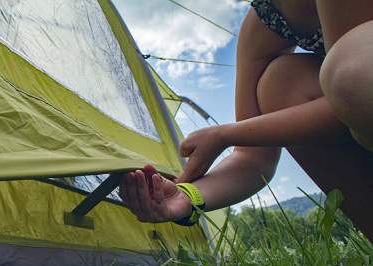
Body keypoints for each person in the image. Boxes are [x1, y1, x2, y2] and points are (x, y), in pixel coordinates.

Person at [120, 0, 373, 241]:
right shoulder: (267, 19)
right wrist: (188, 196)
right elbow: (252, 158)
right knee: (282, 83)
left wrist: (228, 134)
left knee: (350, 71)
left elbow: (355, 91)